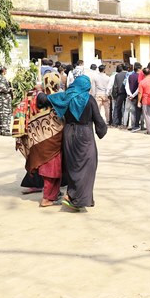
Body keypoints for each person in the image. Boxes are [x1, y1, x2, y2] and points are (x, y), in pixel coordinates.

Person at [41, 74, 107, 211]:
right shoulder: (89, 99)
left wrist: (37, 94)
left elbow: (46, 99)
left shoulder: (66, 96)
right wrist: (102, 131)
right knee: (88, 166)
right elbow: (99, 120)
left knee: (72, 166)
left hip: (69, 134)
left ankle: (71, 195)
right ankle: (77, 198)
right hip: (85, 135)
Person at [15, 72, 65, 207]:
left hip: (38, 139)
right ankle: (47, 199)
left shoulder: (35, 95)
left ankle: (52, 194)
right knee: (52, 169)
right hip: (51, 140)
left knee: (47, 167)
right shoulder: (52, 97)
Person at [0, 67, 13, 136]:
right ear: (3, 70)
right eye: (6, 70)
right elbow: (2, 88)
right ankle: (5, 131)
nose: (6, 71)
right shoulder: (1, 78)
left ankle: (1, 130)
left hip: (1, 98)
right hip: (4, 99)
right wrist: (10, 89)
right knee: (5, 114)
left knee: (1, 114)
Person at [126, 62, 142, 131]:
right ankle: (137, 125)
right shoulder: (140, 77)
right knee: (138, 111)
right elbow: (139, 88)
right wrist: (133, 95)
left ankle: (133, 125)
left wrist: (129, 94)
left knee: (132, 111)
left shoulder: (130, 76)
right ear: (139, 69)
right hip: (137, 96)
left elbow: (127, 86)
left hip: (130, 96)